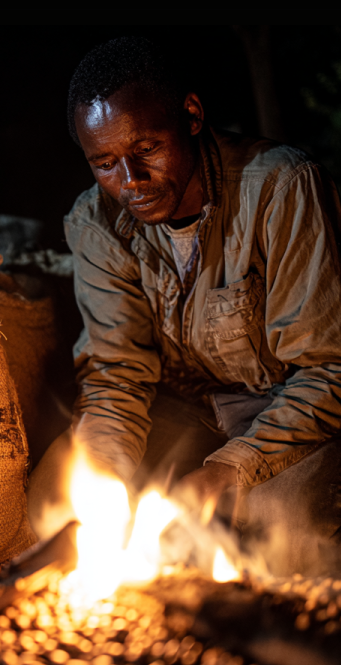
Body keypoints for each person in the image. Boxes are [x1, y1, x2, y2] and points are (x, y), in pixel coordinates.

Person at [28, 36, 341, 575]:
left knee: (280, 528)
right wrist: (104, 479)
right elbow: (116, 376)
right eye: (104, 162)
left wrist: (230, 469)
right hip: (181, 413)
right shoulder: (94, 222)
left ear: (191, 116)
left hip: (279, 410)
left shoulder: (281, 187)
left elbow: (329, 370)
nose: (130, 183)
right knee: (54, 504)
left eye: (146, 149)